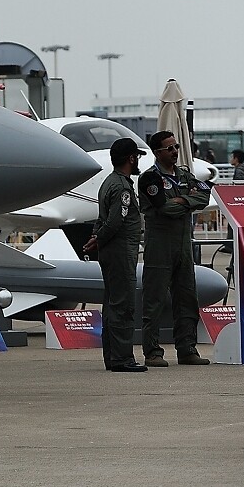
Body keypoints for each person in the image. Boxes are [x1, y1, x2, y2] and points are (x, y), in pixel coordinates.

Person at [138, 130, 212, 367]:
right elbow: (164, 209)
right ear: (157, 152)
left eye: (176, 147)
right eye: (169, 148)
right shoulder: (150, 178)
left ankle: (187, 349)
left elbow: (204, 196)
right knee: (155, 300)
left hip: (183, 245)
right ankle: (152, 351)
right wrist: (186, 202)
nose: (174, 152)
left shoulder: (184, 175)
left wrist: (181, 201)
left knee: (187, 298)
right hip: (159, 244)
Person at [83, 138, 148, 372]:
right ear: (131, 158)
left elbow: (101, 219)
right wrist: (99, 238)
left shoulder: (107, 183)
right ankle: (123, 358)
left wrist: (96, 238)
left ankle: (112, 356)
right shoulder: (122, 187)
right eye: (136, 157)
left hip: (110, 252)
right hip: (121, 251)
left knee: (111, 305)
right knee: (123, 305)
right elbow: (115, 221)